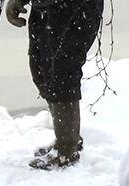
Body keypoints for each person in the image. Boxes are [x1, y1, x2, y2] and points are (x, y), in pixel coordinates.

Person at [6, 0, 105, 170]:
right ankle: (67, 137)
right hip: (46, 8)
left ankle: (67, 149)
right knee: (41, 68)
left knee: (61, 73)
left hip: (75, 8)